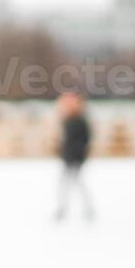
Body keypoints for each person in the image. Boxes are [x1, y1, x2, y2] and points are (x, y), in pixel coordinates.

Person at [54, 91, 94, 221]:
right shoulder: (68, 120)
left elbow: (83, 141)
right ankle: (64, 209)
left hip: (75, 159)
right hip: (69, 158)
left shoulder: (79, 121)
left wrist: (75, 156)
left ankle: (86, 209)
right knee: (68, 183)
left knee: (75, 183)